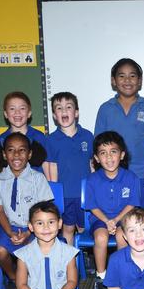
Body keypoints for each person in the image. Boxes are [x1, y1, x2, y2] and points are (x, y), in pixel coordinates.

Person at [4, 201, 89, 289]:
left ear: (60, 224)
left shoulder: (68, 252)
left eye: (51, 222)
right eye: (39, 223)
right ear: (30, 227)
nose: (46, 228)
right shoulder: (24, 254)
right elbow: (21, 285)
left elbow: (72, 282)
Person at [95, 58, 144, 209]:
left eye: (132, 76)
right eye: (121, 76)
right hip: (113, 174)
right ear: (113, 81)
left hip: (142, 175)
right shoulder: (105, 109)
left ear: (140, 81)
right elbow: (98, 144)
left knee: (143, 218)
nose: (127, 80)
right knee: (117, 216)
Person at [0, 132, 53, 282]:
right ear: (4, 155)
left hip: (34, 227)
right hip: (8, 227)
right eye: (11, 150)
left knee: (37, 250)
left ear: (29, 154)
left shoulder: (38, 178)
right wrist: (10, 233)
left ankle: (32, 279)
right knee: (0, 251)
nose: (16, 154)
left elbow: (44, 211)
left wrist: (30, 232)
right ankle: (14, 278)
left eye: (22, 150)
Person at [85, 131, 141, 289]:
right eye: (103, 153)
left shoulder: (131, 177)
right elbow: (92, 206)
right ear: (96, 158)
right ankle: (101, 278)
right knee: (101, 237)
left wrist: (116, 220)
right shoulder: (92, 179)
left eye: (113, 152)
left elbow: (132, 204)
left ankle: (121, 275)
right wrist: (107, 221)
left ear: (122, 154)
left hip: (123, 219)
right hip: (100, 219)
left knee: (121, 236)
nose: (109, 157)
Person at [43, 91, 94, 245]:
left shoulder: (87, 136)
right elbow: (50, 169)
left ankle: (86, 262)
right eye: (59, 108)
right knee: (68, 229)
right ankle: (70, 264)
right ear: (54, 115)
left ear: (76, 113)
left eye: (68, 107)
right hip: (64, 196)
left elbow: (93, 165)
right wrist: (55, 197)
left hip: (86, 194)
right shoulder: (51, 140)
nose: (64, 111)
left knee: (85, 229)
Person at [0, 91, 47, 174]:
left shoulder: (39, 137)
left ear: (29, 113)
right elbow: (1, 169)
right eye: (12, 108)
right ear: (5, 114)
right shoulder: (2, 139)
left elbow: (46, 165)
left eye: (22, 108)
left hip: (36, 185)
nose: (17, 112)